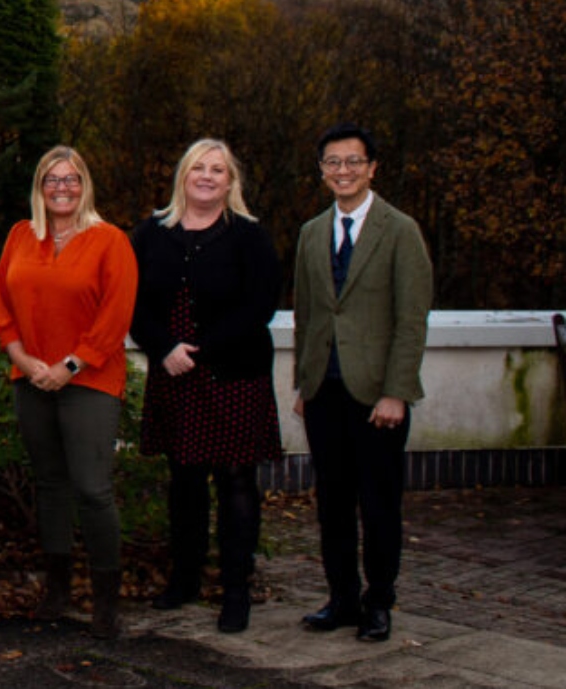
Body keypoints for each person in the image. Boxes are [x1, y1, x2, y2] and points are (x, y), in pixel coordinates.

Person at [130, 139, 281, 634]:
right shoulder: (152, 232)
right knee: (185, 482)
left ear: (230, 182)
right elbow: (130, 303)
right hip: (174, 374)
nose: (208, 176)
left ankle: (236, 591)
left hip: (234, 375)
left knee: (237, 483)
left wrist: (202, 349)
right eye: (199, 167)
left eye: (219, 170)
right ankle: (185, 580)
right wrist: (164, 347)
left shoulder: (249, 237)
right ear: (183, 175)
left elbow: (260, 305)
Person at [0, 145, 138, 639]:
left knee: (92, 489)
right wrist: (24, 360)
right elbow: (2, 308)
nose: (62, 187)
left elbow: (114, 318)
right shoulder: (19, 236)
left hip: (89, 381)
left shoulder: (109, 240)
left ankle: (105, 602)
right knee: (49, 484)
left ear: (85, 185)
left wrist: (68, 366)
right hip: (30, 378)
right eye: (52, 179)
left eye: (71, 179)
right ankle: (57, 589)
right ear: (39, 186)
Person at [292, 123, 432, 643]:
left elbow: (411, 318)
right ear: (322, 170)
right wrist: (303, 386)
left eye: (353, 162)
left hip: (378, 395)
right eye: (333, 162)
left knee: (378, 503)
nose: (343, 171)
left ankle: (379, 601)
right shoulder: (310, 234)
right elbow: (307, 315)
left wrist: (397, 390)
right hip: (324, 391)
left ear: (372, 168)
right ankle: (342, 598)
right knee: (331, 500)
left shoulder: (400, 231)